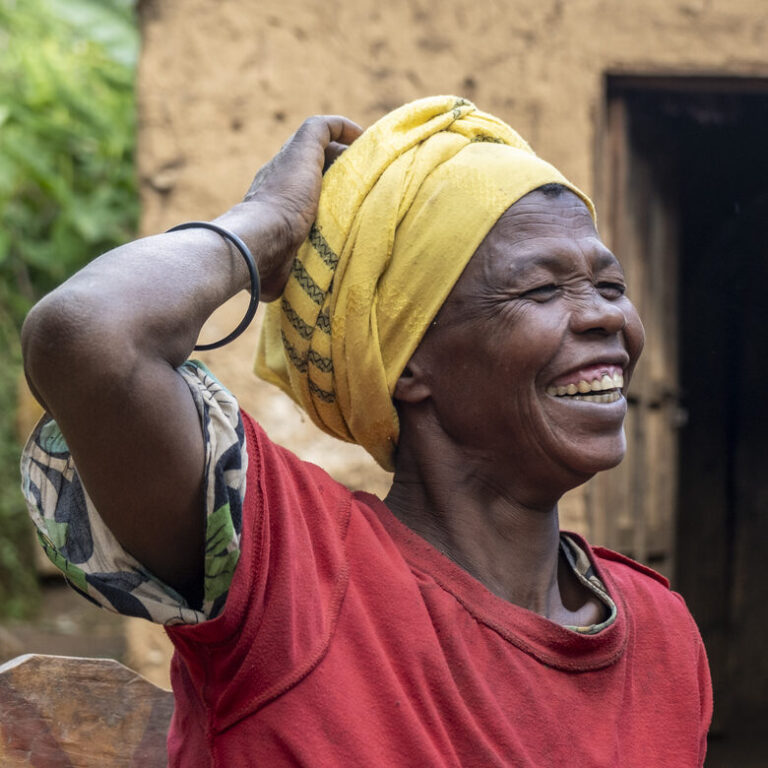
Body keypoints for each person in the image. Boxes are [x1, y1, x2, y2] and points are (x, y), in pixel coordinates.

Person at [20, 96, 711, 766]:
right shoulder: (295, 572)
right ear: (406, 364)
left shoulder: (661, 633)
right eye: (539, 291)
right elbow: (87, 336)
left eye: (611, 287)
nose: (606, 318)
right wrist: (267, 222)